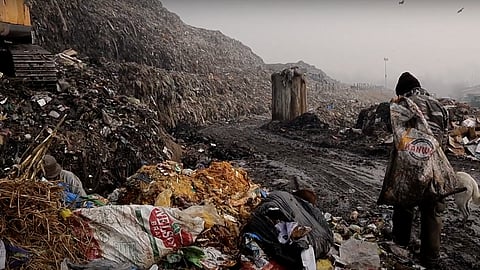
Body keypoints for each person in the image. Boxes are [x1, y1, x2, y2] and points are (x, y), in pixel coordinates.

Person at [378, 72, 457, 268]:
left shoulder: (403, 105)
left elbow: (392, 132)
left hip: (411, 167)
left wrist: (393, 105)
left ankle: (401, 247)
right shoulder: (440, 106)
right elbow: (445, 140)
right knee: (432, 210)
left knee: (404, 205)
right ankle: (430, 258)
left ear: (402, 91)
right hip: (435, 166)